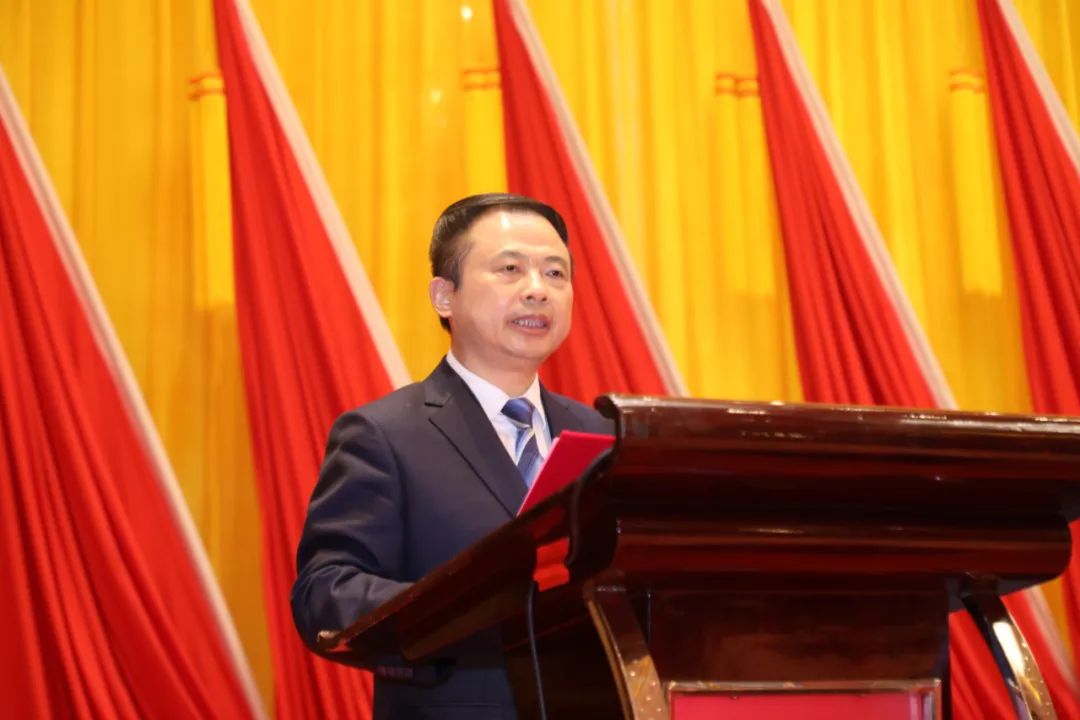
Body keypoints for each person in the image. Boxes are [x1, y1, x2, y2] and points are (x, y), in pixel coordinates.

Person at [291, 193, 612, 720]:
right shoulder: (383, 435)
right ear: (445, 296)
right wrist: (462, 607)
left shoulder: (600, 433)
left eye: (555, 273)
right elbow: (326, 592)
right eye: (510, 269)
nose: (538, 289)